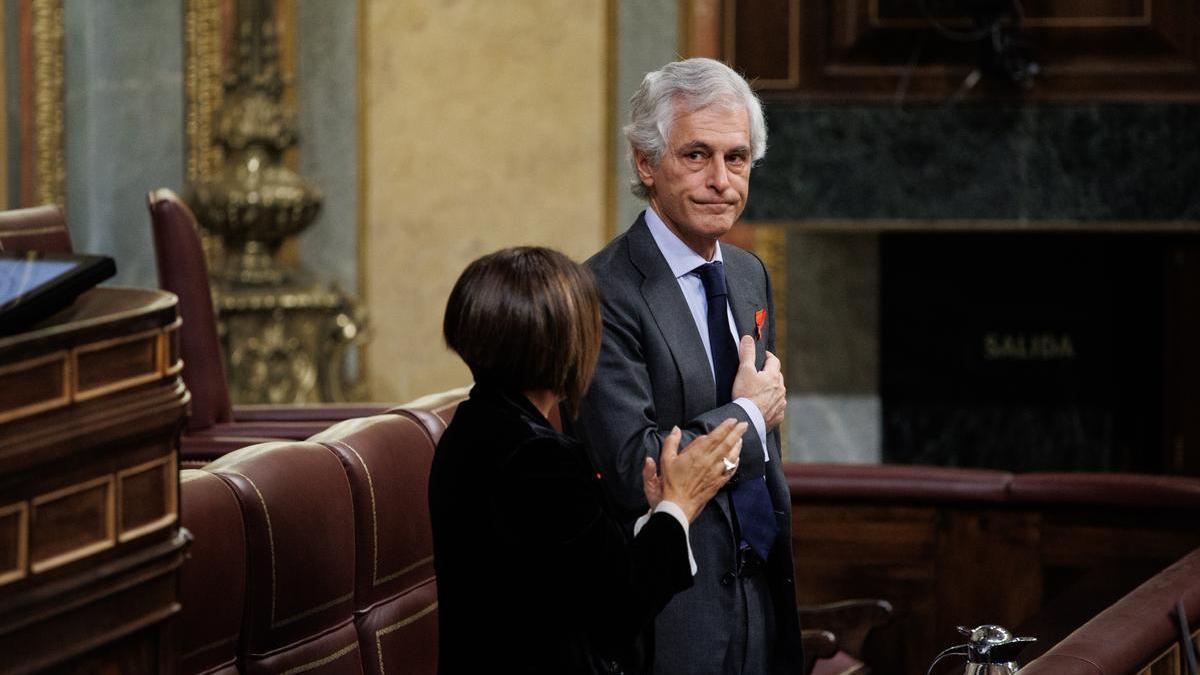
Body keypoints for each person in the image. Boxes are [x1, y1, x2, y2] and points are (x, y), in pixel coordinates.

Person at [575, 58, 804, 674]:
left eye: (736, 158)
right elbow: (638, 466)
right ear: (645, 163)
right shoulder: (602, 290)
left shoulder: (750, 274)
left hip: (763, 585)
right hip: (674, 607)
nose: (721, 181)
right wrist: (748, 416)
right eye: (696, 155)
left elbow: (764, 458)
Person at [429, 246, 748, 674]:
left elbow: (572, 571)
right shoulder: (539, 458)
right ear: (563, 344)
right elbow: (616, 614)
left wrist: (659, 513)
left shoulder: (474, 427)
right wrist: (680, 505)